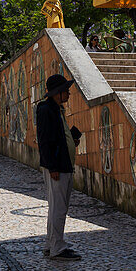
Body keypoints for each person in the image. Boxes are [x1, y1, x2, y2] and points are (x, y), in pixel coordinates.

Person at [35, 74, 82, 261]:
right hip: (58, 166)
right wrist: (53, 166)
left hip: (63, 164)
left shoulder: (56, 110)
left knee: (57, 207)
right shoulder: (46, 110)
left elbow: (58, 135)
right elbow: (45, 140)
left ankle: (51, 244)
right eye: (65, 91)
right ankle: (57, 247)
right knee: (59, 208)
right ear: (57, 93)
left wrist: (71, 139)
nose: (68, 94)